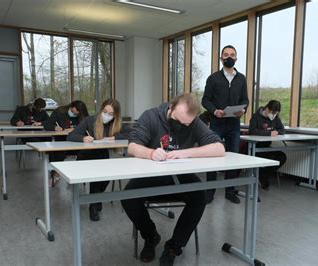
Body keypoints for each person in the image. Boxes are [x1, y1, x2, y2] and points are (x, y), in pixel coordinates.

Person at [121, 94, 225, 266]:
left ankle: (174, 247)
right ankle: (151, 236)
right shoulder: (151, 116)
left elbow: (219, 148)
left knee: (200, 197)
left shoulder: (194, 122)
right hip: (152, 174)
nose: (181, 125)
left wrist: (186, 152)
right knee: (128, 197)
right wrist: (151, 153)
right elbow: (132, 147)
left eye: (186, 123)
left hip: (180, 176)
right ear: (170, 107)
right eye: (178, 120)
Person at [67, 98, 131, 221]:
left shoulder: (115, 124)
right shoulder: (89, 120)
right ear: (101, 109)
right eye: (105, 111)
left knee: (108, 172)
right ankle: (94, 205)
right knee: (98, 172)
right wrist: (83, 138)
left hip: (102, 157)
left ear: (115, 116)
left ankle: (96, 199)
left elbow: (133, 133)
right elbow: (71, 135)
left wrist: (114, 137)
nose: (107, 115)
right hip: (86, 157)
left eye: (111, 114)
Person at [201, 44, 249, 204]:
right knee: (212, 157)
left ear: (236, 58)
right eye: (226, 55)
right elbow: (205, 100)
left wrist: (243, 110)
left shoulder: (241, 78)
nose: (229, 57)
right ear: (221, 58)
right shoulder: (213, 78)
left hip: (234, 124)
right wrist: (215, 111)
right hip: (217, 123)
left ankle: (230, 191)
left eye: (232, 55)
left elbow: (245, 100)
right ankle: (210, 191)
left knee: (233, 157)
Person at [43, 100, 89, 185]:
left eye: (76, 114)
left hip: (77, 141)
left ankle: (79, 174)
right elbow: (46, 125)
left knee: (86, 152)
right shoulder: (59, 111)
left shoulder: (83, 115)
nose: (74, 115)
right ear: (70, 107)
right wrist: (54, 128)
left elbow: (89, 129)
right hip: (61, 140)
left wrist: (76, 129)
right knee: (58, 152)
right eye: (72, 112)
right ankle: (55, 174)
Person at [249, 100, 287, 190]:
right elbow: (252, 131)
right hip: (255, 147)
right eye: (272, 113)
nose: (273, 115)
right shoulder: (256, 117)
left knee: (282, 157)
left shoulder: (275, 118)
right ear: (267, 109)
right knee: (270, 157)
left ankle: (263, 175)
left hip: (266, 147)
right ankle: (262, 176)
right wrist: (268, 133)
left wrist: (277, 132)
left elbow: (282, 130)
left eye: (275, 113)